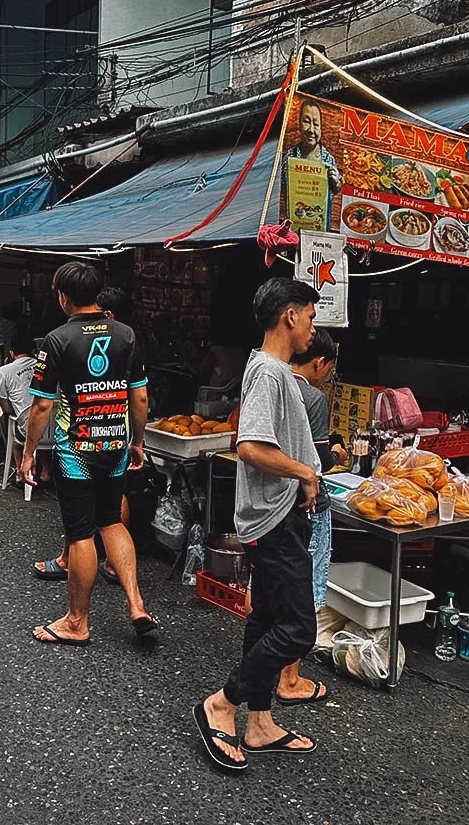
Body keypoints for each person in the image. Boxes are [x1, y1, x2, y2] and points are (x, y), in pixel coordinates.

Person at [193, 277, 322, 773]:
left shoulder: (272, 370)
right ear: (290, 315)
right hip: (274, 519)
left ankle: (260, 723)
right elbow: (250, 446)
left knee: (268, 619)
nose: (313, 327)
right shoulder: (268, 372)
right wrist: (305, 472)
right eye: (310, 315)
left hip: (275, 515)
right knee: (296, 630)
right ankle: (222, 704)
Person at [21, 262, 157, 646]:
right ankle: (136, 604)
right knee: (112, 521)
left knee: (81, 534)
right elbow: (141, 395)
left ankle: (76, 622)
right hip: (115, 444)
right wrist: (138, 440)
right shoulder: (125, 334)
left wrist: (29, 453)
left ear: (63, 296)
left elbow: (42, 407)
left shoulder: (57, 340)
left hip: (76, 449)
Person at [276, 328, 341, 706]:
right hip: (307, 504)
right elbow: (316, 461)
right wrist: (337, 452)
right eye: (328, 371)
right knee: (307, 589)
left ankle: (267, 659)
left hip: (274, 504)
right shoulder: (312, 397)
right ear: (319, 362)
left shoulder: (272, 384)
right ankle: (290, 677)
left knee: (272, 584)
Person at [0, 331, 40, 483]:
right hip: (53, 428)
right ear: (34, 351)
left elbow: (6, 407)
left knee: (15, 439)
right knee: (44, 427)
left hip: (26, 428)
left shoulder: (4, 371)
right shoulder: (44, 366)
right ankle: (46, 471)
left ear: (11, 353)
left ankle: (20, 473)